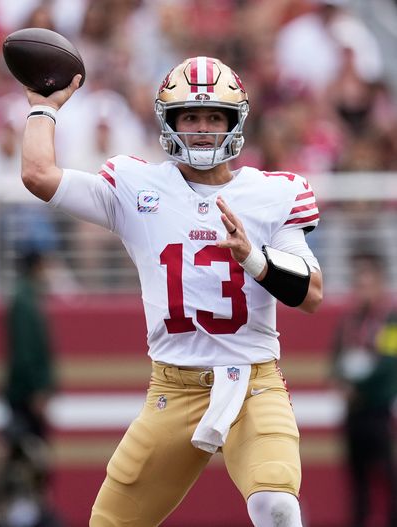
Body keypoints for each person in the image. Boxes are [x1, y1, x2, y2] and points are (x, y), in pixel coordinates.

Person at [19, 56, 323, 526]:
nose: (202, 129)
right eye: (190, 117)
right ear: (170, 122)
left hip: (253, 383)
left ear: (234, 122)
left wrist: (254, 259)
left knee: (278, 506)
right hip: (173, 387)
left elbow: (312, 294)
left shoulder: (273, 193)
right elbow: (39, 176)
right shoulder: (137, 186)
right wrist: (43, 108)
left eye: (213, 117)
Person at [331, 249, 397, 527]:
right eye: (359, 283)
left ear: (380, 283)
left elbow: (389, 363)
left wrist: (359, 384)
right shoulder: (348, 321)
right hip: (353, 413)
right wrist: (343, 382)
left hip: (379, 412)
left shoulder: (389, 321)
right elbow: (334, 358)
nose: (363, 289)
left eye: (368, 282)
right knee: (356, 477)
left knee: (386, 474)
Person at [2, 250, 56, 442]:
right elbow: (27, 350)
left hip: (24, 389)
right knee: (31, 452)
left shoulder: (26, 297)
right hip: (26, 392)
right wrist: (37, 389)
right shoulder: (25, 301)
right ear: (37, 267)